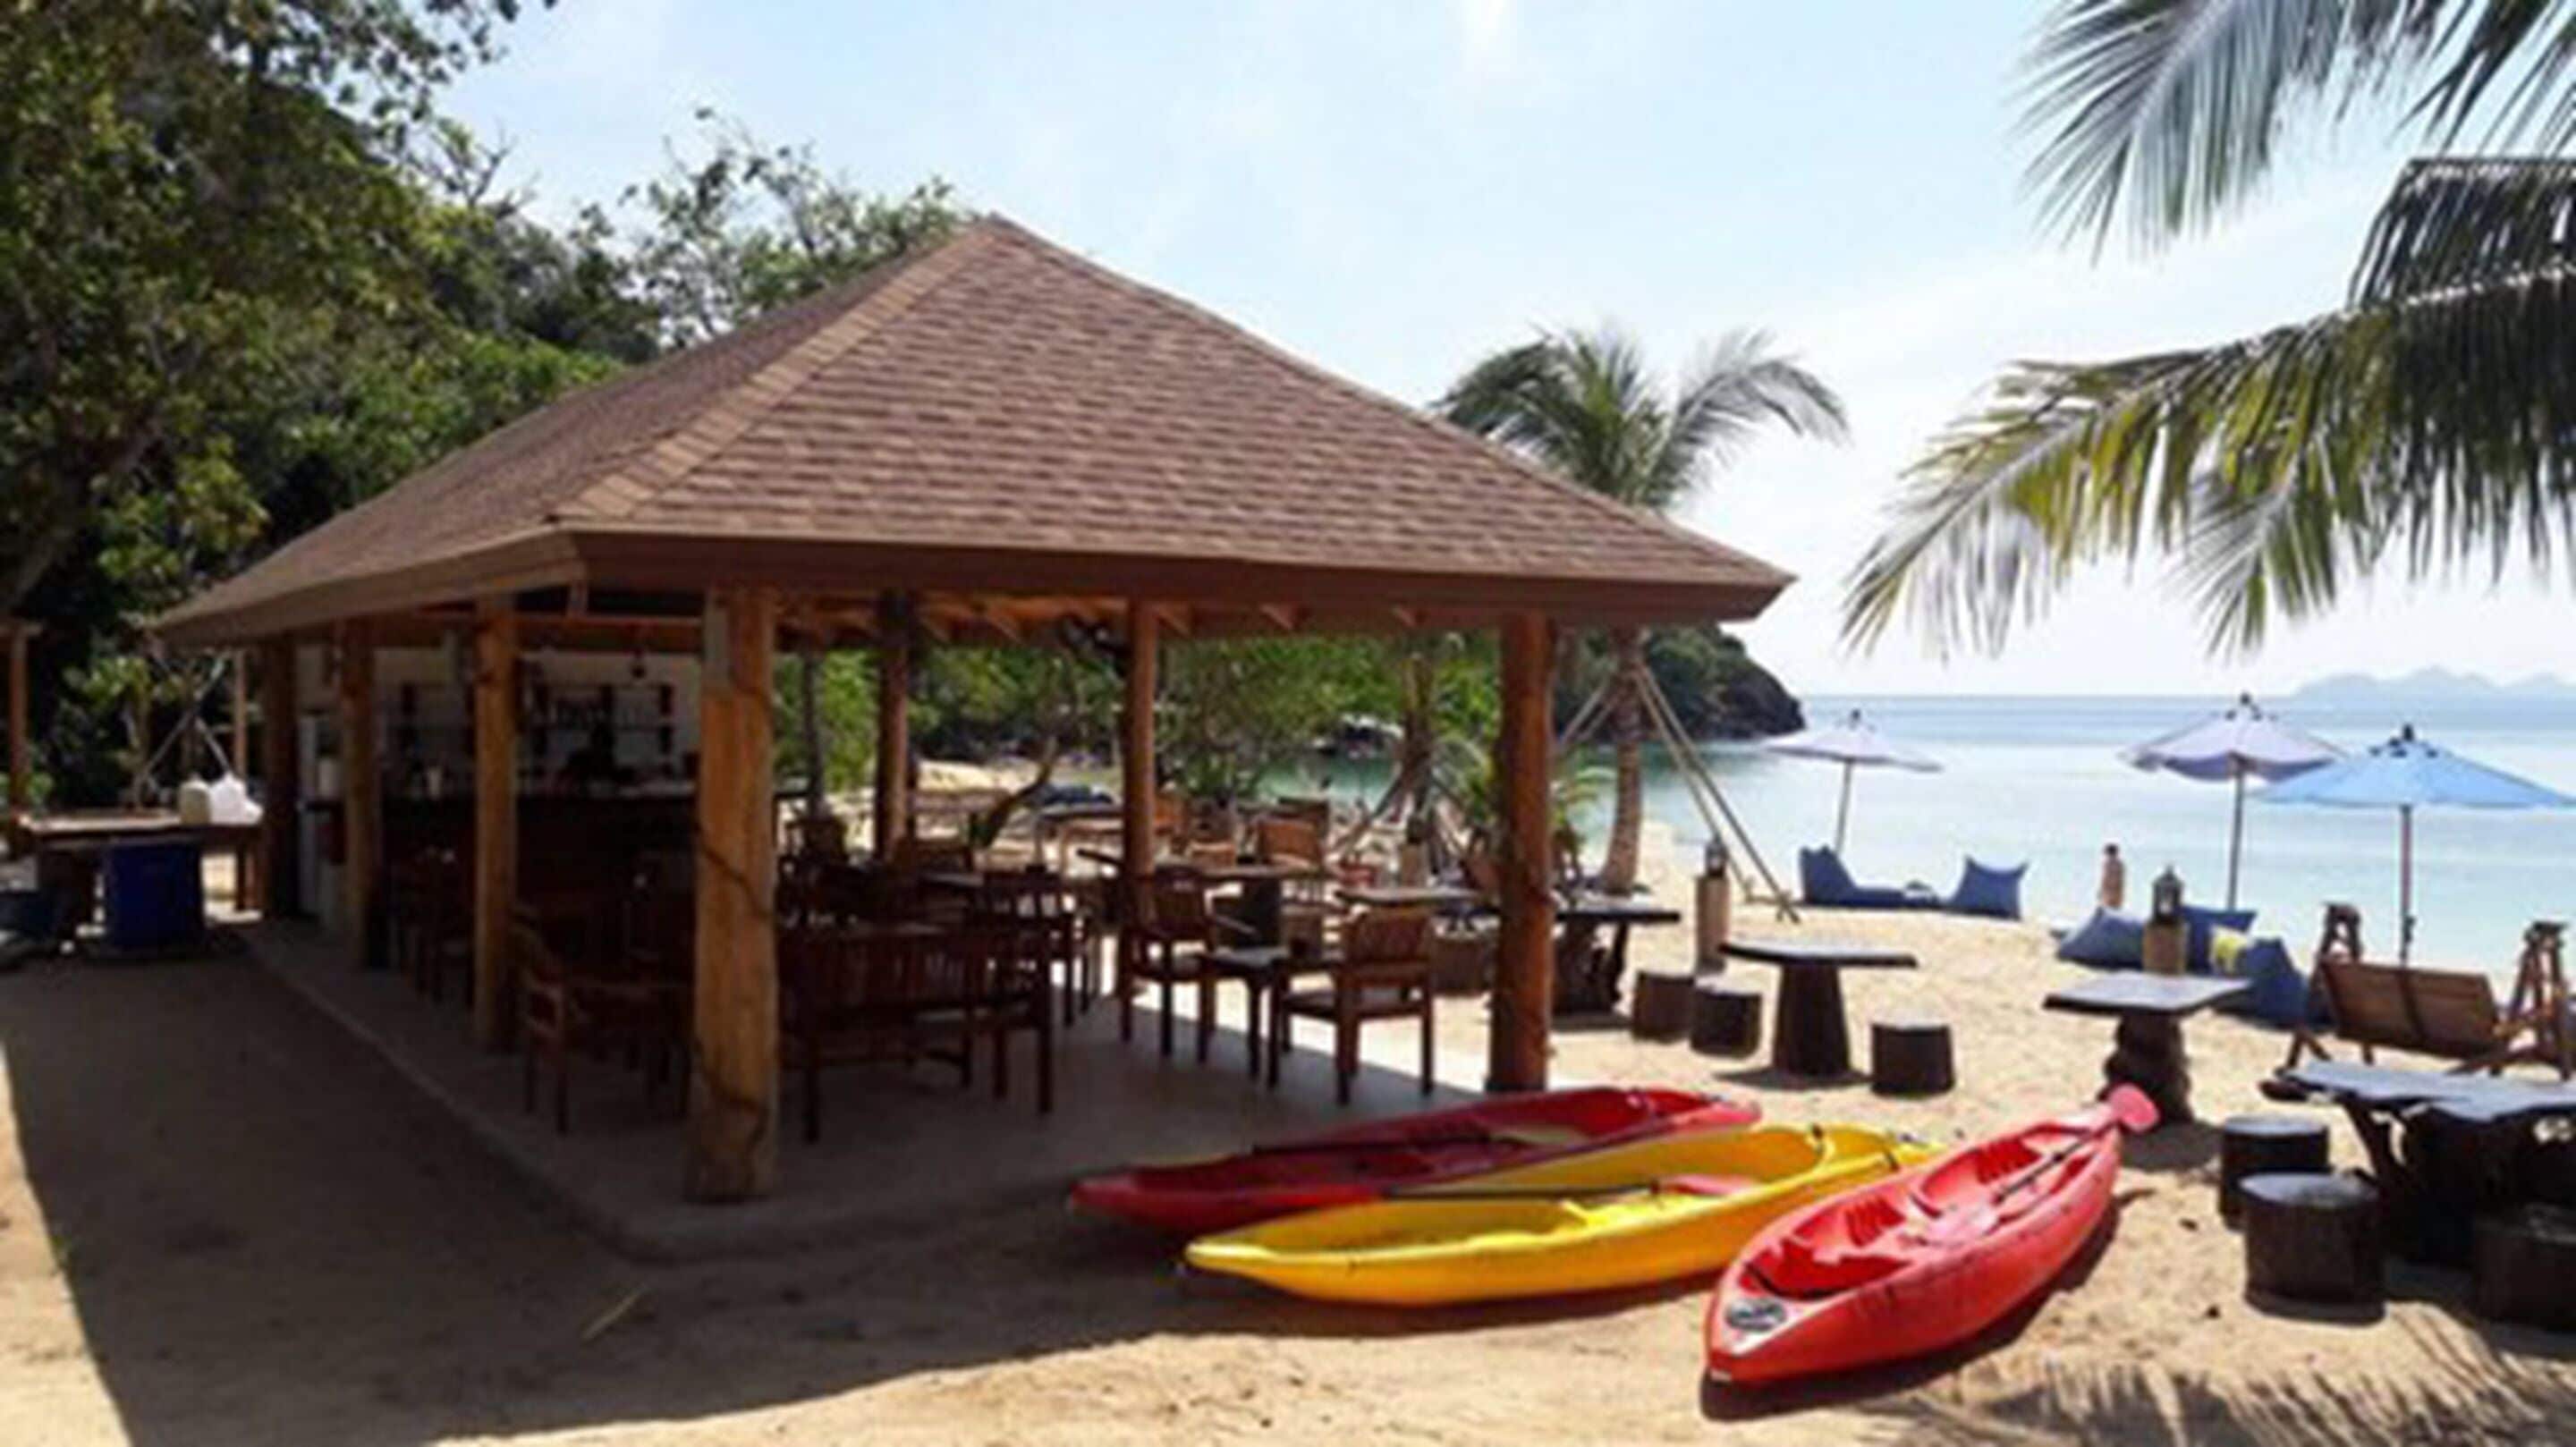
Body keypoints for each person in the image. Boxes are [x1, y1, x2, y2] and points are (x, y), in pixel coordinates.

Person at [2097, 843, 2127, 912]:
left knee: (2108, 910)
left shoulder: (2107, 863)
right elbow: (2121, 879)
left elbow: (2105, 878)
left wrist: (2101, 891)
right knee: (2116, 910)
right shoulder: (2120, 864)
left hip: (2109, 890)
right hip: (2118, 890)